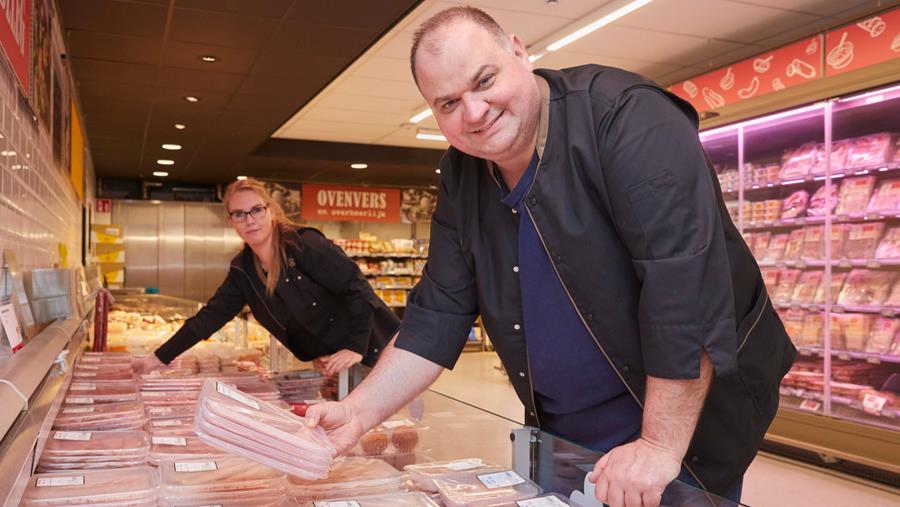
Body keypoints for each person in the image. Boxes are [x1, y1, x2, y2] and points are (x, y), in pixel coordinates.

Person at [306, 6, 795, 507]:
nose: (474, 112)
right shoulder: (463, 171)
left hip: (682, 420)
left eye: (485, 80)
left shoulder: (627, 118)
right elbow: (438, 312)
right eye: (448, 103)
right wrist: (359, 411)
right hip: (564, 432)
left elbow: (684, 287)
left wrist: (657, 446)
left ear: (519, 51)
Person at [134, 178, 399, 377]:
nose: (249, 220)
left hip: (379, 351)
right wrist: (157, 358)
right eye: (239, 214)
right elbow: (209, 318)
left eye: (256, 210)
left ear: (270, 211)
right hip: (337, 367)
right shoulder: (244, 271)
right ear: (231, 221)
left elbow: (356, 288)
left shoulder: (304, 245)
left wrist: (355, 347)